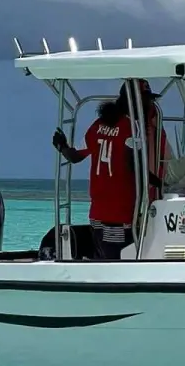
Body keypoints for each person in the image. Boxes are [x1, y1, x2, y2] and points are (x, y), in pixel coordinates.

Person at [51, 88, 168, 260]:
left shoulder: (98, 125)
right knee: (120, 261)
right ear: (134, 102)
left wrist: (62, 146)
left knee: (102, 260)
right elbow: (135, 167)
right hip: (121, 213)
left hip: (97, 212)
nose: (149, 106)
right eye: (146, 101)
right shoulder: (132, 129)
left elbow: (75, 156)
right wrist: (162, 184)